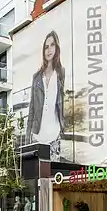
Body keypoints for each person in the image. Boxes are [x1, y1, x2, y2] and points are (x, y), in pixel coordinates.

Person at [26, 30, 66, 162]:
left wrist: (62, 127)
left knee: (54, 178)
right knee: (36, 179)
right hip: (37, 136)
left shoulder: (60, 73)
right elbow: (32, 107)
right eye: (46, 47)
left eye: (52, 45)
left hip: (54, 136)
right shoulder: (37, 77)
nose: (49, 50)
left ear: (57, 48)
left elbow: (61, 103)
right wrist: (28, 136)